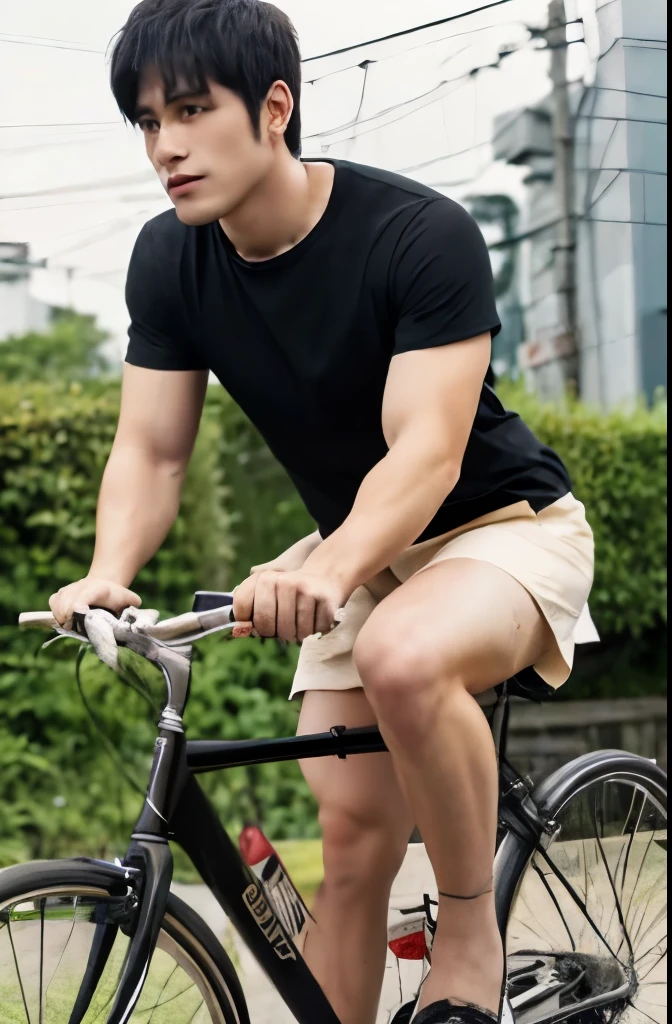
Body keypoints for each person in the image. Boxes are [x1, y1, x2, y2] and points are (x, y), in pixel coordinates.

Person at [49, 2, 595, 1022]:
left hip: (503, 529)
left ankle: (469, 931)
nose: (166, 145)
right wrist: (107, 565)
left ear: (274, 107)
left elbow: (426, 453)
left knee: (402, 653)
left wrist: (329, 570)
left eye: (190, 110)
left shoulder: (415, 234)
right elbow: (153, 448)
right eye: (146, 121)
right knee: (348, 844)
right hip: (358, 553)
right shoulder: (171, 259)